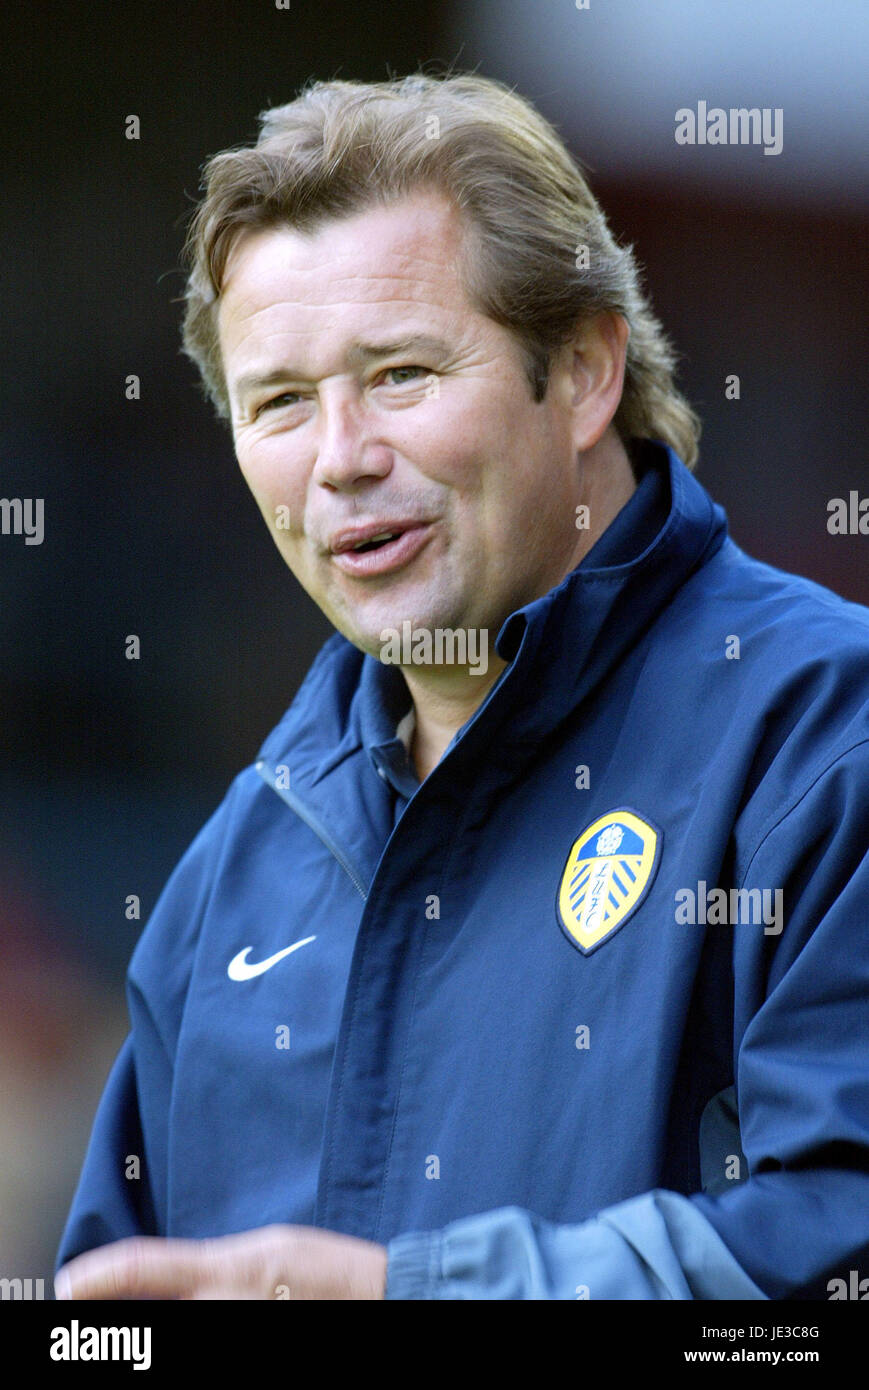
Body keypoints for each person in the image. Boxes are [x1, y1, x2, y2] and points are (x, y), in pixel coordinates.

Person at [55, 72, 869, 1301]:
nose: (340, 460)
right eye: (278, 402)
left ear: (586, 370)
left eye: (399, 375)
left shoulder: (823, 736)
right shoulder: (235, 870)